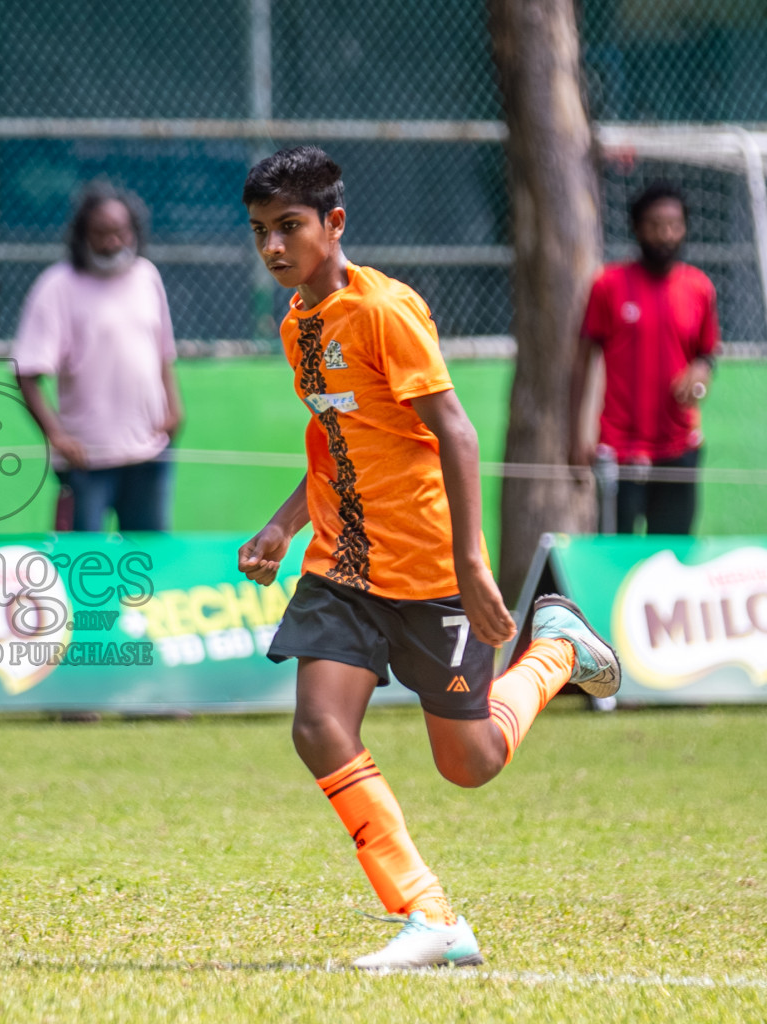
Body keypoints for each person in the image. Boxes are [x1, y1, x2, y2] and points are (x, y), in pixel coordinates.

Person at [236, 147, 621, 969]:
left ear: (334, 223)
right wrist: (282, 525)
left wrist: (475, 566)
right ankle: (429, 914)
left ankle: (556, 650)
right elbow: (339, 441)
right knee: (318, 728)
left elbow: (454, 430)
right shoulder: (296, 325)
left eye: (290, 227)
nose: (274, 247)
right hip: (341, 568)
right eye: (261, 231)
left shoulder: (386, 310)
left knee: (471, 762)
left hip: (429, 573)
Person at [13, 183, 184, 532]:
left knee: (147, 564)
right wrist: (56, 437)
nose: (112, 243)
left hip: (148, 453)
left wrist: (174, 407)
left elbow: (162, 352)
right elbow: (26, 372)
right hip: (85, 461)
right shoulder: (57, 286)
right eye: (101, 234)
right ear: (82, 236)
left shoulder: (147, 276)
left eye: (120, 232)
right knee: (81, 564)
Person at [569, 182, 719, 535]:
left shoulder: (699, 288)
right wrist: (577, 433)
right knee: (614, 556)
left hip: (678, 447)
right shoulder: (608, 284)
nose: (665, 234)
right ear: (637, 228)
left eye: (674, 224)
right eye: (655, 224)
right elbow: (583, 360)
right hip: (618, 449)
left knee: (672, 556)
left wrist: (700, 373)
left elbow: (707, 354)